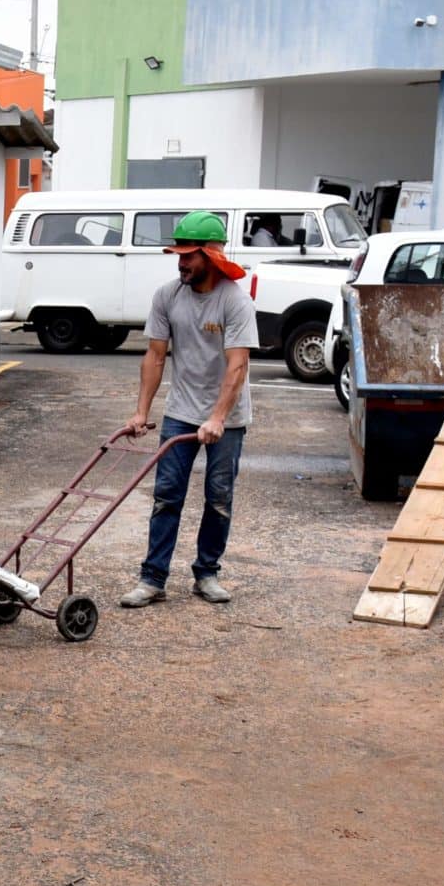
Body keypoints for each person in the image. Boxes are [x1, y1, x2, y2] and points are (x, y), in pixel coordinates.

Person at [119, 210, 257, 608]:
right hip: (181, 410)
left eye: (189, 255)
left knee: (218, 496)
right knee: (166, 494)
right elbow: (155, 356)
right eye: (178, 254)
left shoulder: (235, 301)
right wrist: (141, 412)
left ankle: (207, 573)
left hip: (226, 418)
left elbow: (237, 365)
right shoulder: (167, 296)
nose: (181, 262)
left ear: (211, 255)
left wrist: (218, 417)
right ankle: (153, 579)